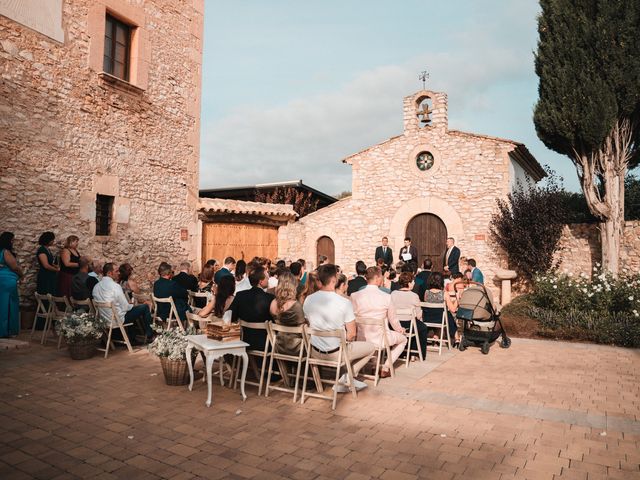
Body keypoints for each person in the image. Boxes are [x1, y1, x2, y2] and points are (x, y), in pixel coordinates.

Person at [303, 264, 375, 392]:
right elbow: (352, 334)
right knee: (371, 348)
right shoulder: (343, 302)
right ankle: (348, 376)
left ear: (319, 281)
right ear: (335, 280)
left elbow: (308, 323)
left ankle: (346, 376)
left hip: (313, 352)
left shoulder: (308, 299)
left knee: (346, 346)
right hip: (336, 354)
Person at [351, 266, 407, 378]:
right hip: (380, 338)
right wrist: (400, 330)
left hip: (362, 337)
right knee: (403, 340)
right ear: (377, 278)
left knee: (376, 336)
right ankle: (385, 367)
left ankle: (374, 366)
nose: (382, 279)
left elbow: (352, 317)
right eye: (381, 277)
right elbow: (393, 320)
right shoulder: (386, 297)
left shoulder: (355, 295)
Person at [93, 263, 154, 342]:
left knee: (132, 310)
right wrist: (133, 305)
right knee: (144, 307)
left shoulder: (96, 287)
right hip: (117, 319)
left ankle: (133, 337)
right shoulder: (115, 286)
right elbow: (126, 307)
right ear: (109, 273)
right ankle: (150, 336)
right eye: (116, 271)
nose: (119, 273)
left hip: (105, 320)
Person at [229, 266, 274, 350]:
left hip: (243, 340)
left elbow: (230, 316)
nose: (268, 280)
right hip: (265, 344)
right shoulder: (270, 298)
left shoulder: (240, 295)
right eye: (267, 278)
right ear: (260, 281)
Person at [390, 272, 428, 359]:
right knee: (422, 328)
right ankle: (416, 353)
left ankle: (403, 351)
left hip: (395, 324)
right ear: (409, 283)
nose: (414, 283)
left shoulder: (393, 294)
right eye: (413, 281)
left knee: (416, 326)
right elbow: (418, 315)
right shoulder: (414, 296)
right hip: (409, 324)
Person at [269, 271, 306, 355]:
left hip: (279, 345)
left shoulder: (273, 303)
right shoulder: (296, 305)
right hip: (296, 348)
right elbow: (302, 328)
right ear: (293, 286)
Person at [422, 272, 457, 342]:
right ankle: (456, 338)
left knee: (438, 312)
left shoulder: (426, 293)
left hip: (428, 319)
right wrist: (457, 300)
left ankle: (436, 335)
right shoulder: (444, 294)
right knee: (447, 314)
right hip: (440, 320)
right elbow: (453, 309)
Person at [0, 232, 23, 337]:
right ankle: (8, 330)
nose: (13, 242)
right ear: (8, 241)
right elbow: (14, 267)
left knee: (2, 304)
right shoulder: (6, 252)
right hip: (7, 280)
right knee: (9, 304)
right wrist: (21, 274)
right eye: (12, 240)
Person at [36, 231, 59, 298]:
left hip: (50, 275)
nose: (53, 241)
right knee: (46, 292)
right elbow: (46, 265)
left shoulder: (47, 249)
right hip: (45, 275)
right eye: (52, 240)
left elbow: (50, 262)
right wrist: (56, 270)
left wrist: (55, 265)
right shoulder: (42, 250)